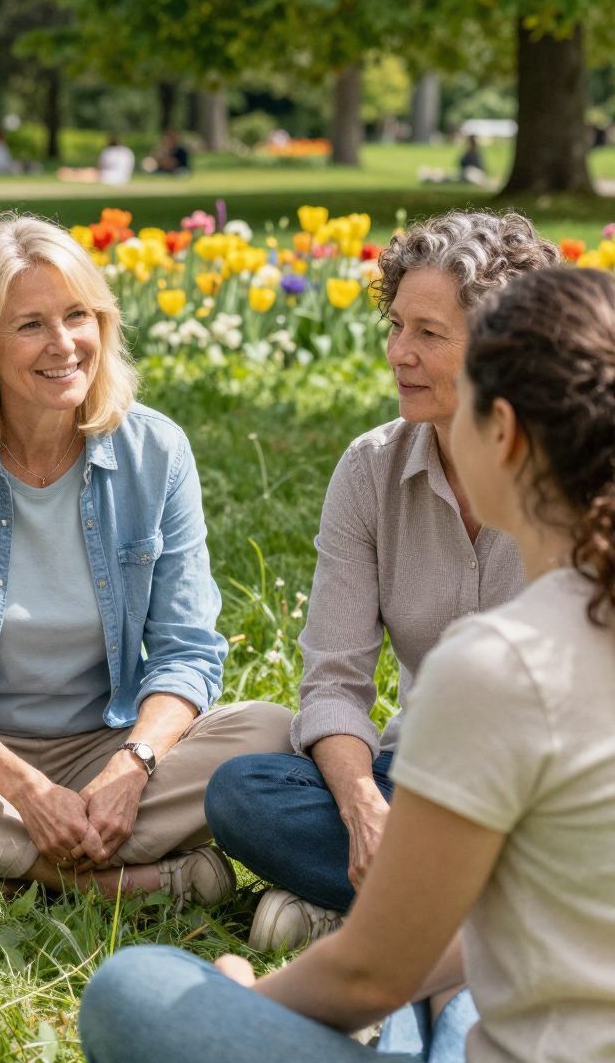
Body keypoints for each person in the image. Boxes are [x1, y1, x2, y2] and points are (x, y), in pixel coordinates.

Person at [80, 266, 615, 1063]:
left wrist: (241, 1006)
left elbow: (375, 968)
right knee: (445, 1008)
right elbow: (484, 936)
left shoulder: (505, 659)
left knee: (135, 997)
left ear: (501, 429)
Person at [0, 213, 291, 914]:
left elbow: (187, 653)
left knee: (273, 735)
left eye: (79, 315)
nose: (64, 344)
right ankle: (128, 883)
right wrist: (27, 790)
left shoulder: (156, 454)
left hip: (110, 747)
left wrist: (129, 769)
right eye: (30, 325)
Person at [206, 211, 555, 953]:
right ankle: (469, 913)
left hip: (549, 788)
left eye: (430, 334)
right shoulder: (372, 469)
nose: (400, 353)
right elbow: (333, 681)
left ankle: (380, 913)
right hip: (421, 780)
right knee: (244, 795)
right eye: (396, 326)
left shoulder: (578, 467)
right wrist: (365, 807)